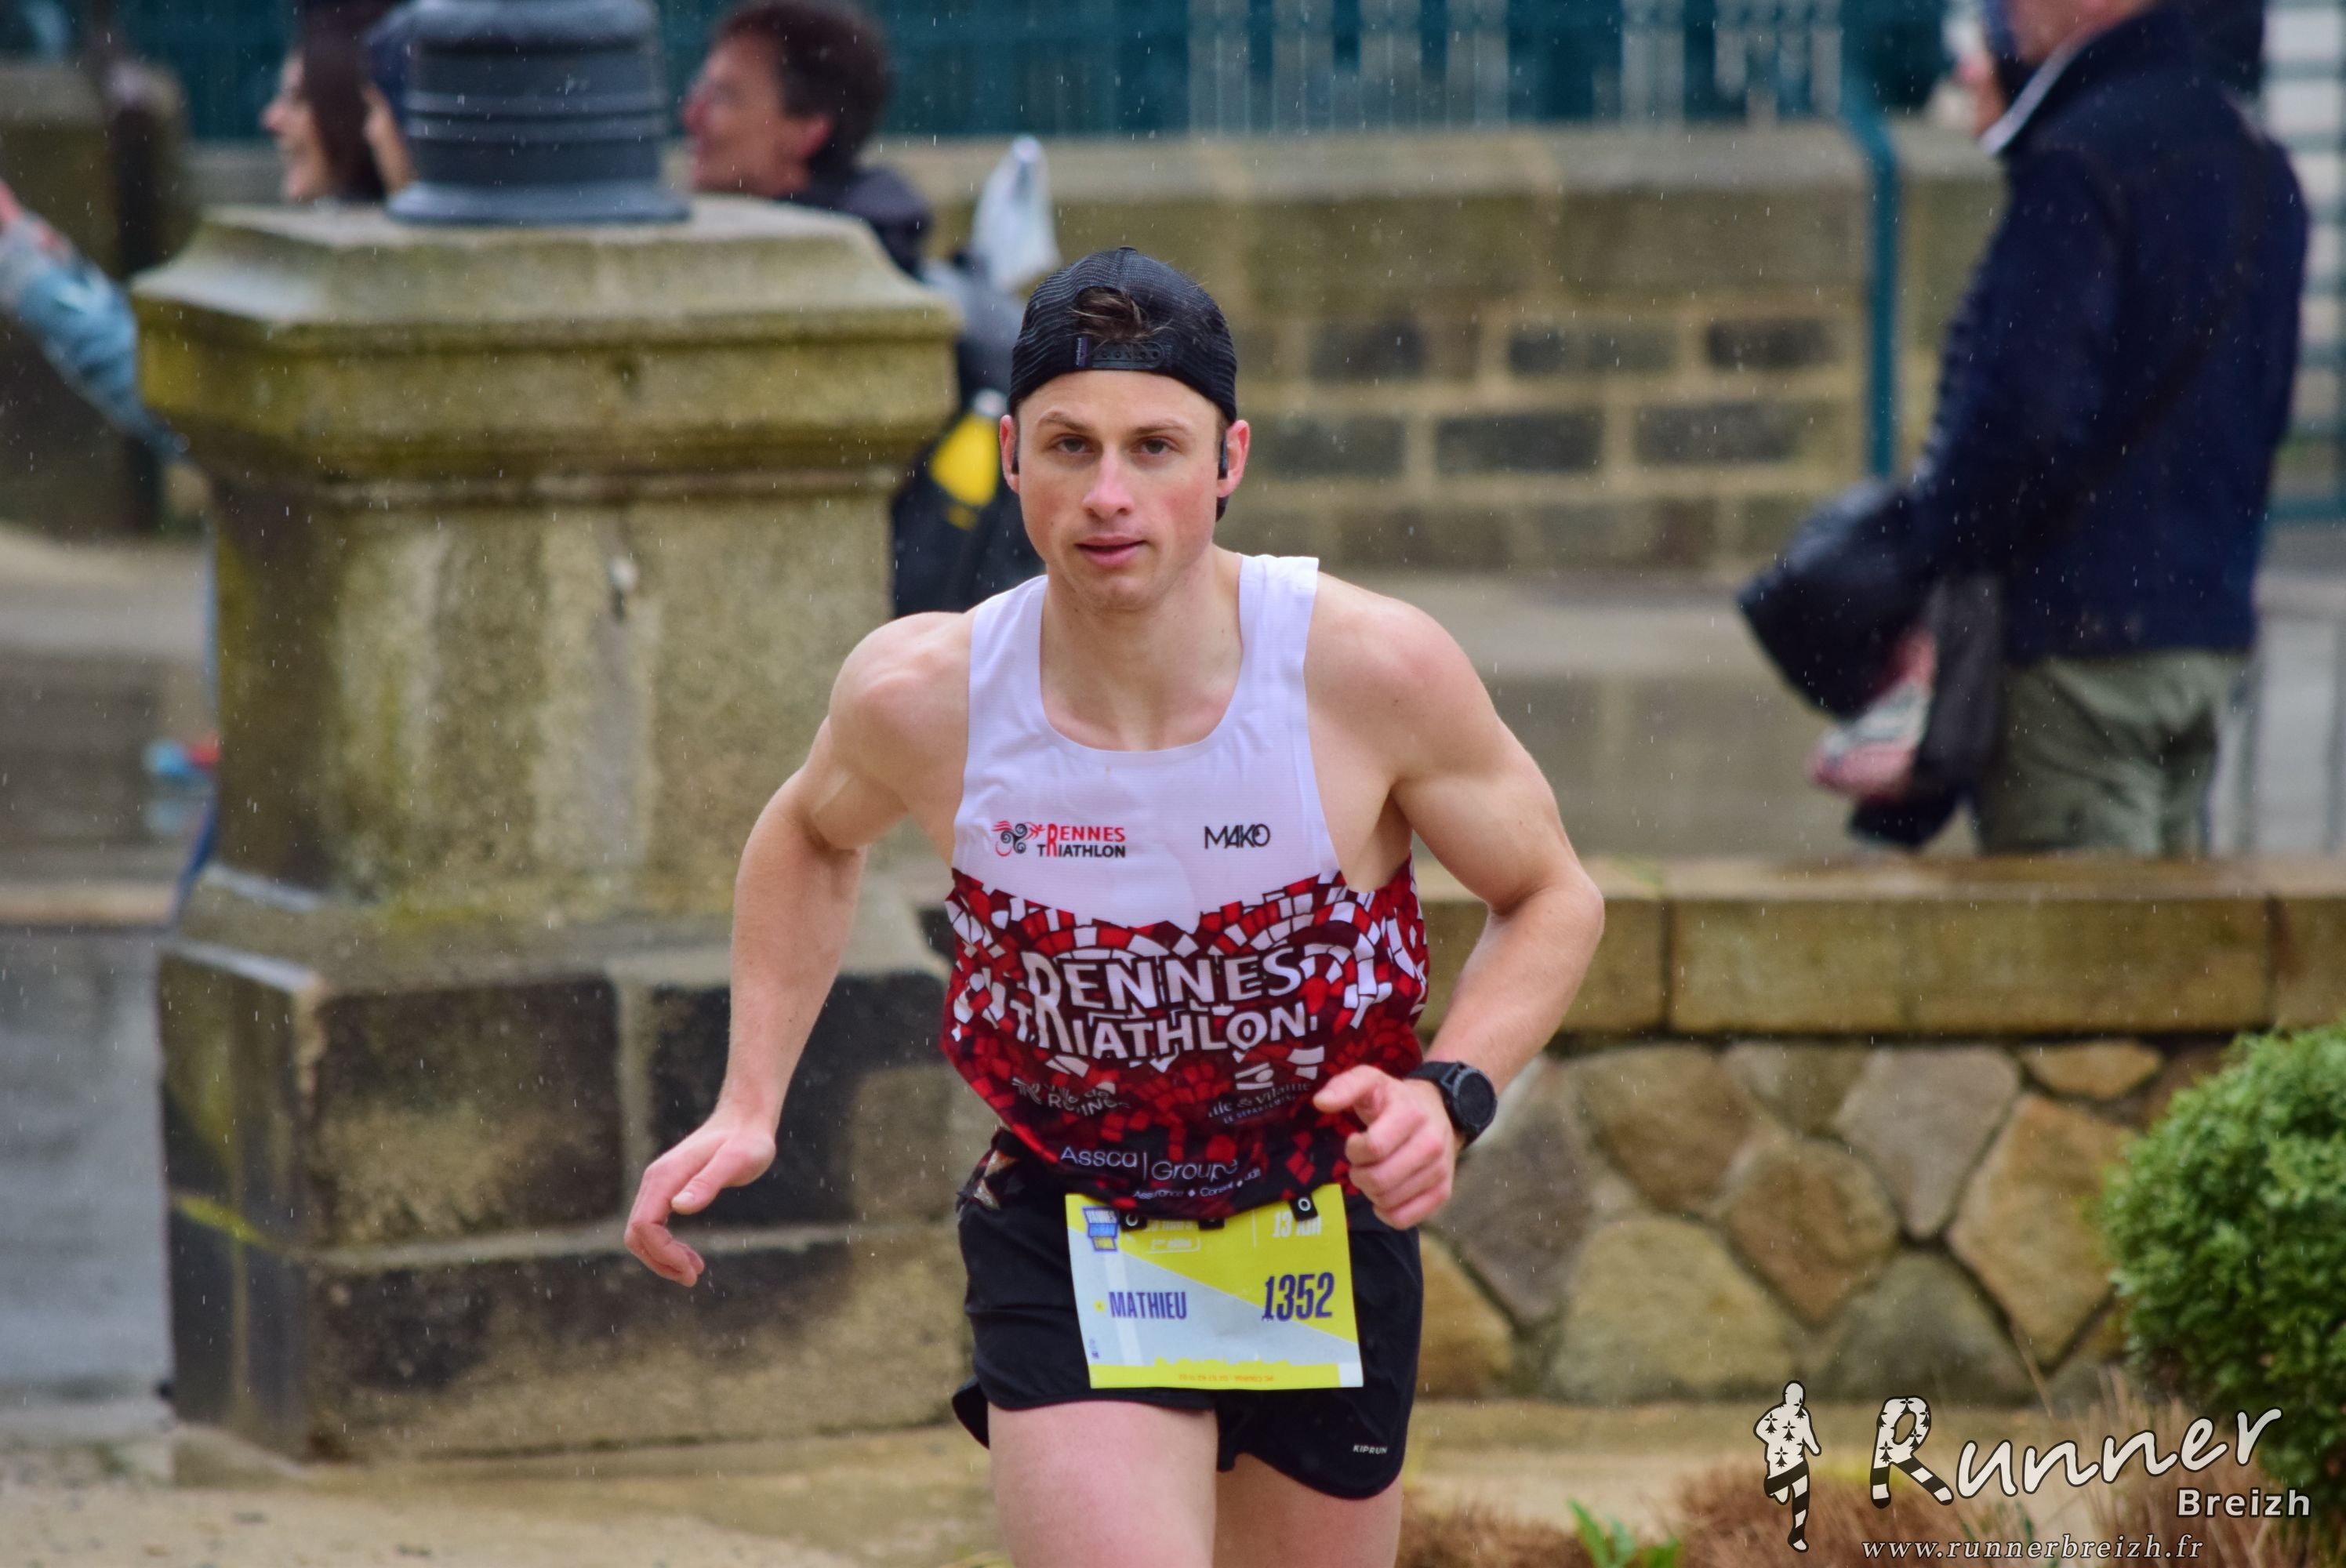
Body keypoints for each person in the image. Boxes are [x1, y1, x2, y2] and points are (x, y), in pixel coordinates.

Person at [624, 248, 1607, 1566]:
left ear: (1229, 460)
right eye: (1068, 446)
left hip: (1322, 1211)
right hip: (1071, 1212)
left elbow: (1549, 896)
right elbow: (808, 834)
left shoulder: (1368, 669)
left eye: (1154, 448)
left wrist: (1449, 1093)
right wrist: (749, 1103)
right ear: (1011, 458)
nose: (1107, 495)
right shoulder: (924, 695)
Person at [1893, 0, 2306, 855]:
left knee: (2084, 933)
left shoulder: (2082, 160)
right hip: (2202, 628)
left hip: (2077, 643)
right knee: (2170, 927)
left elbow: (2019, 422)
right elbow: (2264, 406)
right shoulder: (2256, 158)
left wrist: (1932, 557)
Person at [683, 0, 929, 278]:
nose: (692, 115)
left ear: (807, 131)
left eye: (724, 97)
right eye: (699, 91)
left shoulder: (815, 277)